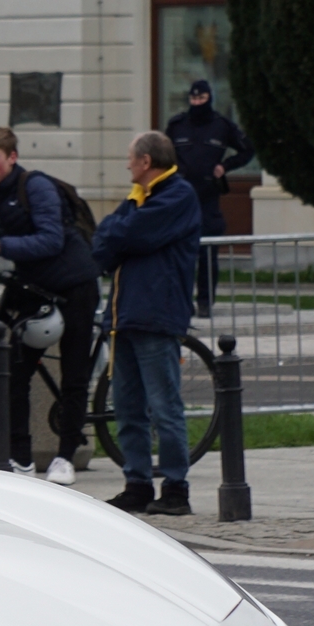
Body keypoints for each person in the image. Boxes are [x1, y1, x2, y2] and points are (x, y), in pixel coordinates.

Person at [0, 127, 99, 483]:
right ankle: (21, 457)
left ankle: (65, 456)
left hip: (74, 283)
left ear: (11, 158)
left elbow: (50, 239)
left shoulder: (36, 187)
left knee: (75, 372)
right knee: (14, 373)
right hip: (31, 287)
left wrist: (0, 246)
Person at [93, 131, 203, 516]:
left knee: (164, 407)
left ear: (145, 161)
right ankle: (137, 483)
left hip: (156, 316)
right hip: (124, 317)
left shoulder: (177, 196)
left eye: (130, 158)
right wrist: (118, 231)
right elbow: (104, 241)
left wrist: (119, 232)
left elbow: (129, 233)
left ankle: (176, 488)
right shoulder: (139, 199)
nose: (126, 165)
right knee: (127, 408)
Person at [164, 79, 253, 317]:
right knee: (181, 253)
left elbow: (247, 149)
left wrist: (225, 166)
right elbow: (163, 154)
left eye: (201, 99)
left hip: (208, 198)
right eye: (193, 99)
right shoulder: (177, 125)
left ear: (209, 98)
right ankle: (183, 301)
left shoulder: (221, 126)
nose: (197, 103)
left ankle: (205, 302)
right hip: (180, 199)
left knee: (208, 253)